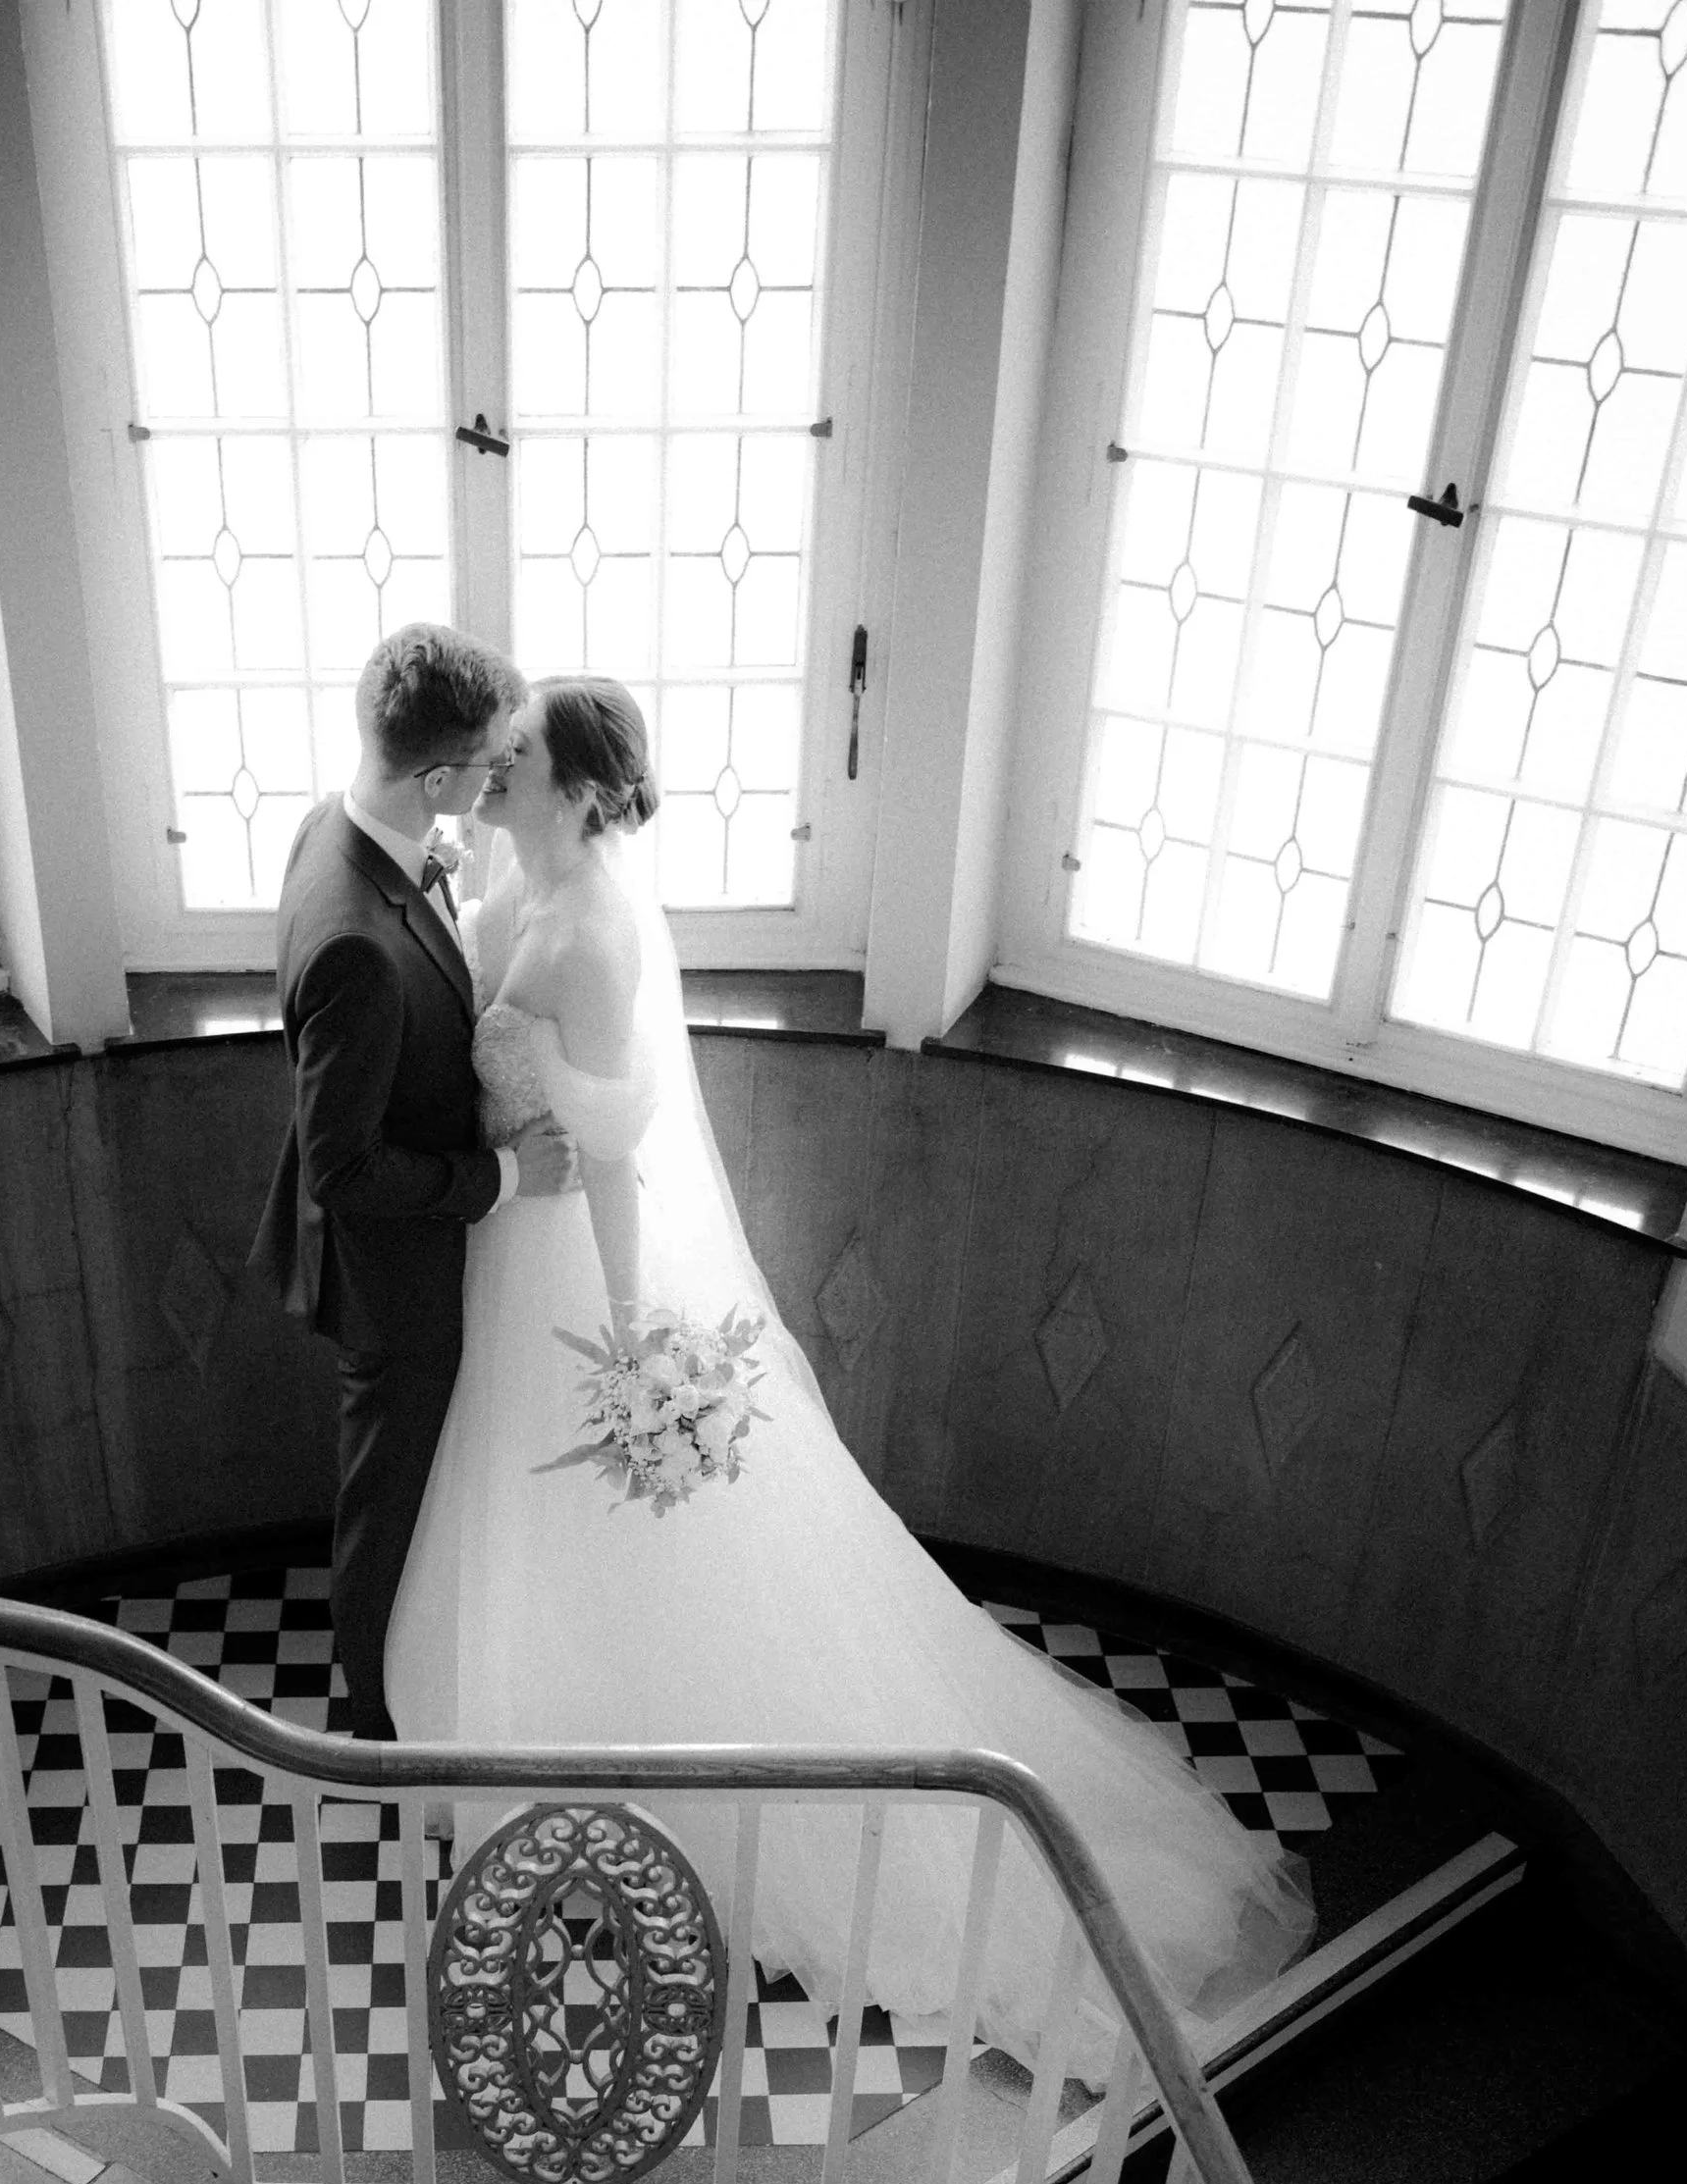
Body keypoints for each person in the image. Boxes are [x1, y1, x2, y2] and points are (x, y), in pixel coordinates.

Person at [385, 679, 1313, 2083]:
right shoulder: (517, 875)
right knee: (528, 1524)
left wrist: (631, 1340)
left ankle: (654, 1799)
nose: (495, 766)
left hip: (573, 1260)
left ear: (577, 791)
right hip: (507, 1244)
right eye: (495, 752)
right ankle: (549, 1765)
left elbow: (620, 1150)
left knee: (622, 1540)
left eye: (518, 756)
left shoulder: (596, 935)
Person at [252, 625, 576, 1741]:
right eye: (488, 762)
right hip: (393, 1273)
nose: (498, 776)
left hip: (411, 1245)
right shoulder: (355, 945)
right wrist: (503, 1174)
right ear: (437, 779)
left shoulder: (333, 824)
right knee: (386, 1502)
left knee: (408, 1489)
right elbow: (343, 1166)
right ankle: (374, 1728)